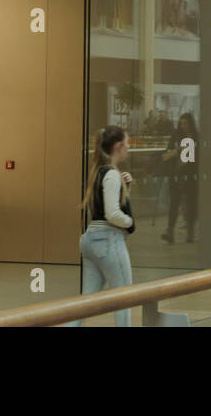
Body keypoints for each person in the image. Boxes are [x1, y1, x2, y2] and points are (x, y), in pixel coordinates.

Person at [72, 125, 136, 327]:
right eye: (126, 144)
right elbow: (113, 213)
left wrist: (126, 189)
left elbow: (106, 208)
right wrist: (130, 222)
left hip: (91, 239)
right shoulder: (112, 174)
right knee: (124, 297)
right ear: (118, 146)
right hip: (108, 240)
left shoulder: (98, 172)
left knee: (85, 302)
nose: (128, 148)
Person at [163, 113, 199, 243]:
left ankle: (190, 233)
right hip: (176, 175)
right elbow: (166, 155)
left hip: (190, 176)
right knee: (174, 203)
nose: (183, 126)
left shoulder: (196, 137)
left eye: (186, 123)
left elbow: (195, 158)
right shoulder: (176, 136)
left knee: (191, 204)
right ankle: (170, 231)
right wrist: (178, 150)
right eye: (181, 123)